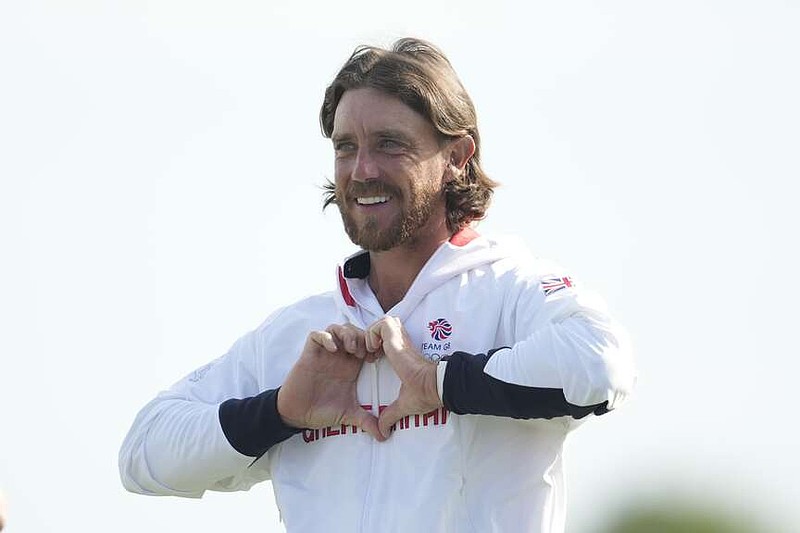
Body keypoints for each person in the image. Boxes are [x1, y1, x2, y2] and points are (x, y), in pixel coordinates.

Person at [119, 38, 635, 532]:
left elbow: (601, 362)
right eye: (346, 147)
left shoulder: (511, 291)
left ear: (457, 156)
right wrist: (281, 410)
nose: (362, 170)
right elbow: (143, 453)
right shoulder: (303, 334)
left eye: (390, 144)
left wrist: (438, 382)